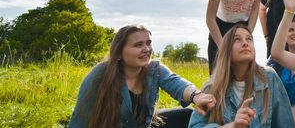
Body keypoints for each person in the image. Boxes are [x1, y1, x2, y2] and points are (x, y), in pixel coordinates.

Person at [69, 25, 215, 128]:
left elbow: (176, 83)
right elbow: (80, 118)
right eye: (138, 45)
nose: (146, 49)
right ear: (119, 52)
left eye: (148, 43)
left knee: (187, 115)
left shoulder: (154, 69)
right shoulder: (101, 74)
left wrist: (197, 96)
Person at [188, 25, 294, 128]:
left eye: (249, 39)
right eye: (237, 40)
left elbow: (286, 123)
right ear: (226, 49)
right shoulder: (212, 88)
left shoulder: (269, 78)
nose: (245, 43)